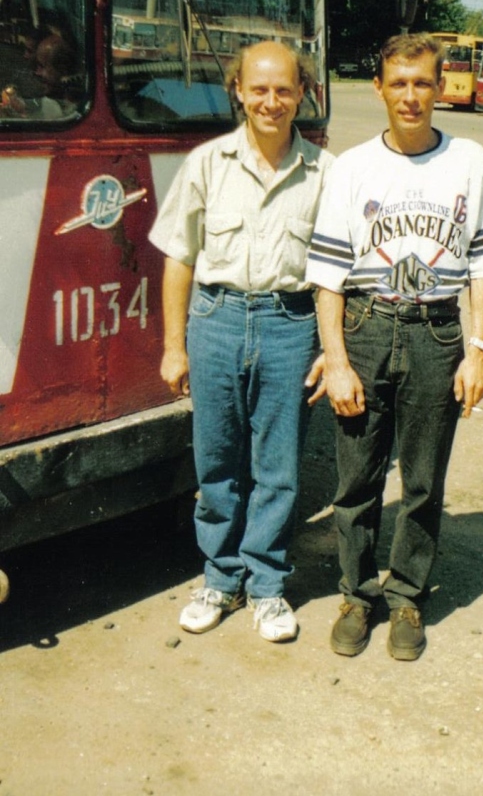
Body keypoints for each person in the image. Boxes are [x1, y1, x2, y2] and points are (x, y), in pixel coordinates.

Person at [305, 32, 483, 661]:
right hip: (366, 329)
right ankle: (358, 595)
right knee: (358, 477)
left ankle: (408, 598)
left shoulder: (471, 161)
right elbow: (330, 275)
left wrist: (478, 350)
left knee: (422, 479)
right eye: (399, 83)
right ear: (379, 89)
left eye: (423, 82)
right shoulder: (352, 167)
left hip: (438, 334)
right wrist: (335, 360)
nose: (411, 96)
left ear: (441, 85)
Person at [149, 40, 333, 640]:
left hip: (290, 324)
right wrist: (174, 345)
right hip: (217, 320)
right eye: (259, 89)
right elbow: (179, 257)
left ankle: (268, 586)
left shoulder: (325, 173)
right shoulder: (206, 162)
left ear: (302, 93)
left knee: (277, 466)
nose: (271, 102)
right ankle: (220, 579)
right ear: (238, 91)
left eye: (283, 90)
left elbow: (336, 272)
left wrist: (332, 351)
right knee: (217, 460)